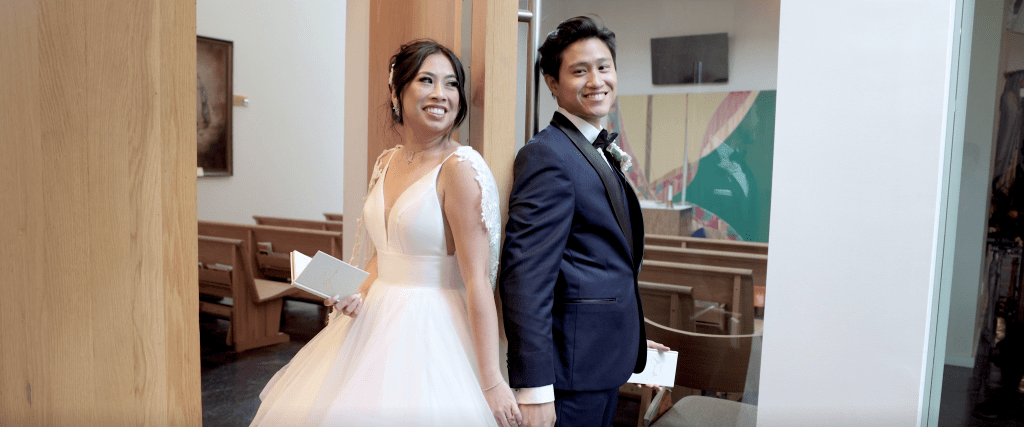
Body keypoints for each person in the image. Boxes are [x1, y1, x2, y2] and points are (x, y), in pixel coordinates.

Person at [250, 39, 521, 427]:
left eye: (451, 84)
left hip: (434, 327)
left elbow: (478, 280)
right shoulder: (387, 159)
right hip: (372, 321)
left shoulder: (460, 167)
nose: (440, 94)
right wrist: (357, 291)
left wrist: (492, 380)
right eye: (427, 80)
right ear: (397, 92)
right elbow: (387, 252)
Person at [499, 16, 668, 427]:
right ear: (552, 83)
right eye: (579, 71)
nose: (596, 80)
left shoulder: (589, 147)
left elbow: (599, 262)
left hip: (599, 360)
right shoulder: (547, 155)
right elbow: (525, 279)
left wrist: (631, 334)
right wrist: (534, 387)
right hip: (566, 377)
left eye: (604, 67)